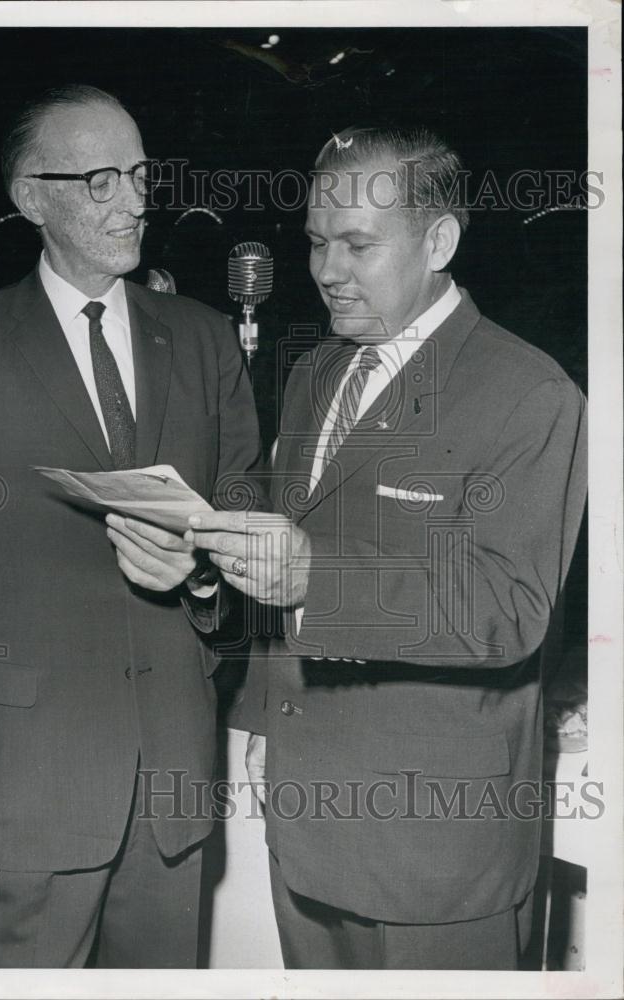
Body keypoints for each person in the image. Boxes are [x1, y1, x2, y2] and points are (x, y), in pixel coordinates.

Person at [185, 126, 588, 969]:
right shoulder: (316, 373)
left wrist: (312, 576)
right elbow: (290, 542)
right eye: (316, 243)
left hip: (435, 857)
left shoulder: (527, 392)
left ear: (438, 241)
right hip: (306, 816)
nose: (328, 271)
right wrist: (255, 694)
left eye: (359, 245)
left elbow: (505, 610)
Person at [0, 84, 262, 968]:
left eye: (138, 173)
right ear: (29, 198)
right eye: (99, 179)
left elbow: (243, 530)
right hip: (20, 790)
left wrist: (203, 577)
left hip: (171, 787)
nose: (133, 200)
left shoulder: (204, 341)